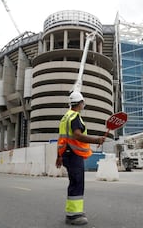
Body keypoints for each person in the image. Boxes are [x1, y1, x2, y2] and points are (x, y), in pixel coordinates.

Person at [56, 91, 105, 225]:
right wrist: (96, 140)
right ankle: (74, 215)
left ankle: (73, 212)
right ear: (80, 103)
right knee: (77, 183)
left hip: (66, 153)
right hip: (73, 154)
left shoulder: (65, 117)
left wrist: (59, 156)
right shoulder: (75, 117)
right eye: (83, 102)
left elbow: (61, 139)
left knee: (74, 182)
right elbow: (77, 135)